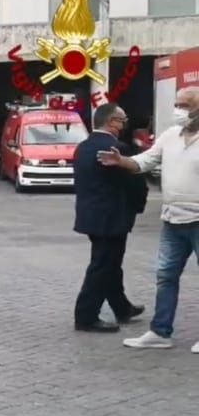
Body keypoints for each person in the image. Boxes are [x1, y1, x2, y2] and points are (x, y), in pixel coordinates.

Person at [98, 87, 199, 353]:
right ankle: (160, 332)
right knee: (166, 276)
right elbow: (146, 161)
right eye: (177, 104)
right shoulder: (170, 136)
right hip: (172, 220)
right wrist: (122, 161)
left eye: (185, 105)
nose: (179, 110)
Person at [71, 103, 147, 333]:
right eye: (122, 121)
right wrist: (138, 206)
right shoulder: (116, 148)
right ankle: (86, 316)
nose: (124, 125)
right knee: (103, 266)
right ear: (111, 121)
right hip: (112, 217)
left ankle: (121, 307)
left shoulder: (83, 147)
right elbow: (134, 182)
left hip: (92, 216)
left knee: (111, 264)